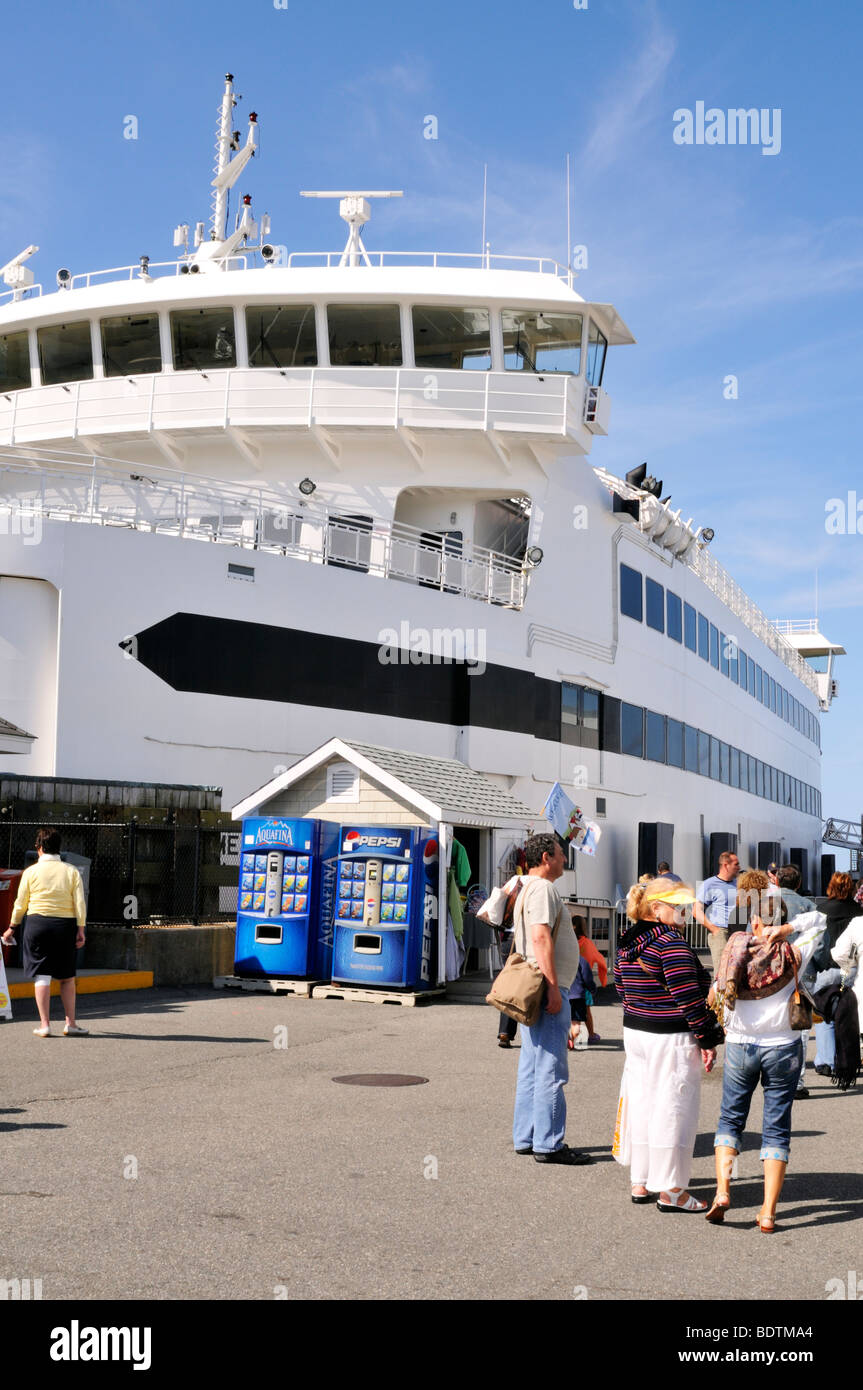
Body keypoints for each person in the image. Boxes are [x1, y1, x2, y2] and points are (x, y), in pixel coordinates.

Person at [705, 892, 822, 1232]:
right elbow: (820, 922)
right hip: (784, 1047)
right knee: (776, 1126)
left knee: (730, 1120)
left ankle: (724, 1191)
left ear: (754, 921)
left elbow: (716, 993)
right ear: (781, 923)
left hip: (741, 1045)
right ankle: (768, 1212)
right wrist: (789, 928)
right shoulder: (793, 951)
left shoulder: (734, 952)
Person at [613, 878, 723, 1210]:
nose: (685, 912)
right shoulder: (669, 943)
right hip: (669, 1035)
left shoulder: (628, 941)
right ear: (656, 908)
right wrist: (708, 1038)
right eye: (677, 906)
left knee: (642, 1104)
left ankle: (641, 1181)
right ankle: (672, 1190)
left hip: (636, 1032)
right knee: (674, 1109)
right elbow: (689, 999)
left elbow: (620, 987)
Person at [511, 834, 592, 1165]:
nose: (564, 860)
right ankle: (549, 1143)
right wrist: (553, 987)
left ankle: (527, 1136)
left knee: (531, 1066)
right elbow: (540, 936)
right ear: (546, 857)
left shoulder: (526, 887)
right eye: (561, 855)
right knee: (550, 1068)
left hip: (534, 985)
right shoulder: (543, 889)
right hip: (546, 986)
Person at [1, 827, 88, 1037]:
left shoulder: (30, 872)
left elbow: (20, 903)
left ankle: (45, 1024)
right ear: (59, 849)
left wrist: (12, 928)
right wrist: (81, 929)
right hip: (65, 925)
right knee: (66, 977)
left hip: (37, 924)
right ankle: (71, 1023)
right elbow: (79, 902)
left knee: (42, 975)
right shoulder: (71, 871)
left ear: (39, 848)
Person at [809, 872, 863, 1077]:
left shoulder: (821, 910)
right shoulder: (859, 912)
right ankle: (848, 1059)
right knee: (849, 1015)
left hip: (827, 968)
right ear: (851, 888)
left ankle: (826, 1060)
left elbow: (818, 945)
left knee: (825, 1014)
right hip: (853, 968)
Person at [693, 851, 740, 976]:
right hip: (721, 932)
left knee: (737, 973)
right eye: (736, 864)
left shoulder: (738, 884)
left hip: (738, 933)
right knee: (722, 974)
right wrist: (714, 930)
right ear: (726, 865)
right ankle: (717, 996)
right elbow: (696, 910)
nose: (739, 867)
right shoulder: (709, 884)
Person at [574, 917, 607, 1041]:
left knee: (569, 1011)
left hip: (569, 981)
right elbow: (601, 960)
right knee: (586, 1010)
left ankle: (569, 1037)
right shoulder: (587, 943)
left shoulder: (568, 941)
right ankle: (591, 1035)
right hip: (584, 982)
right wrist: (603, 980)